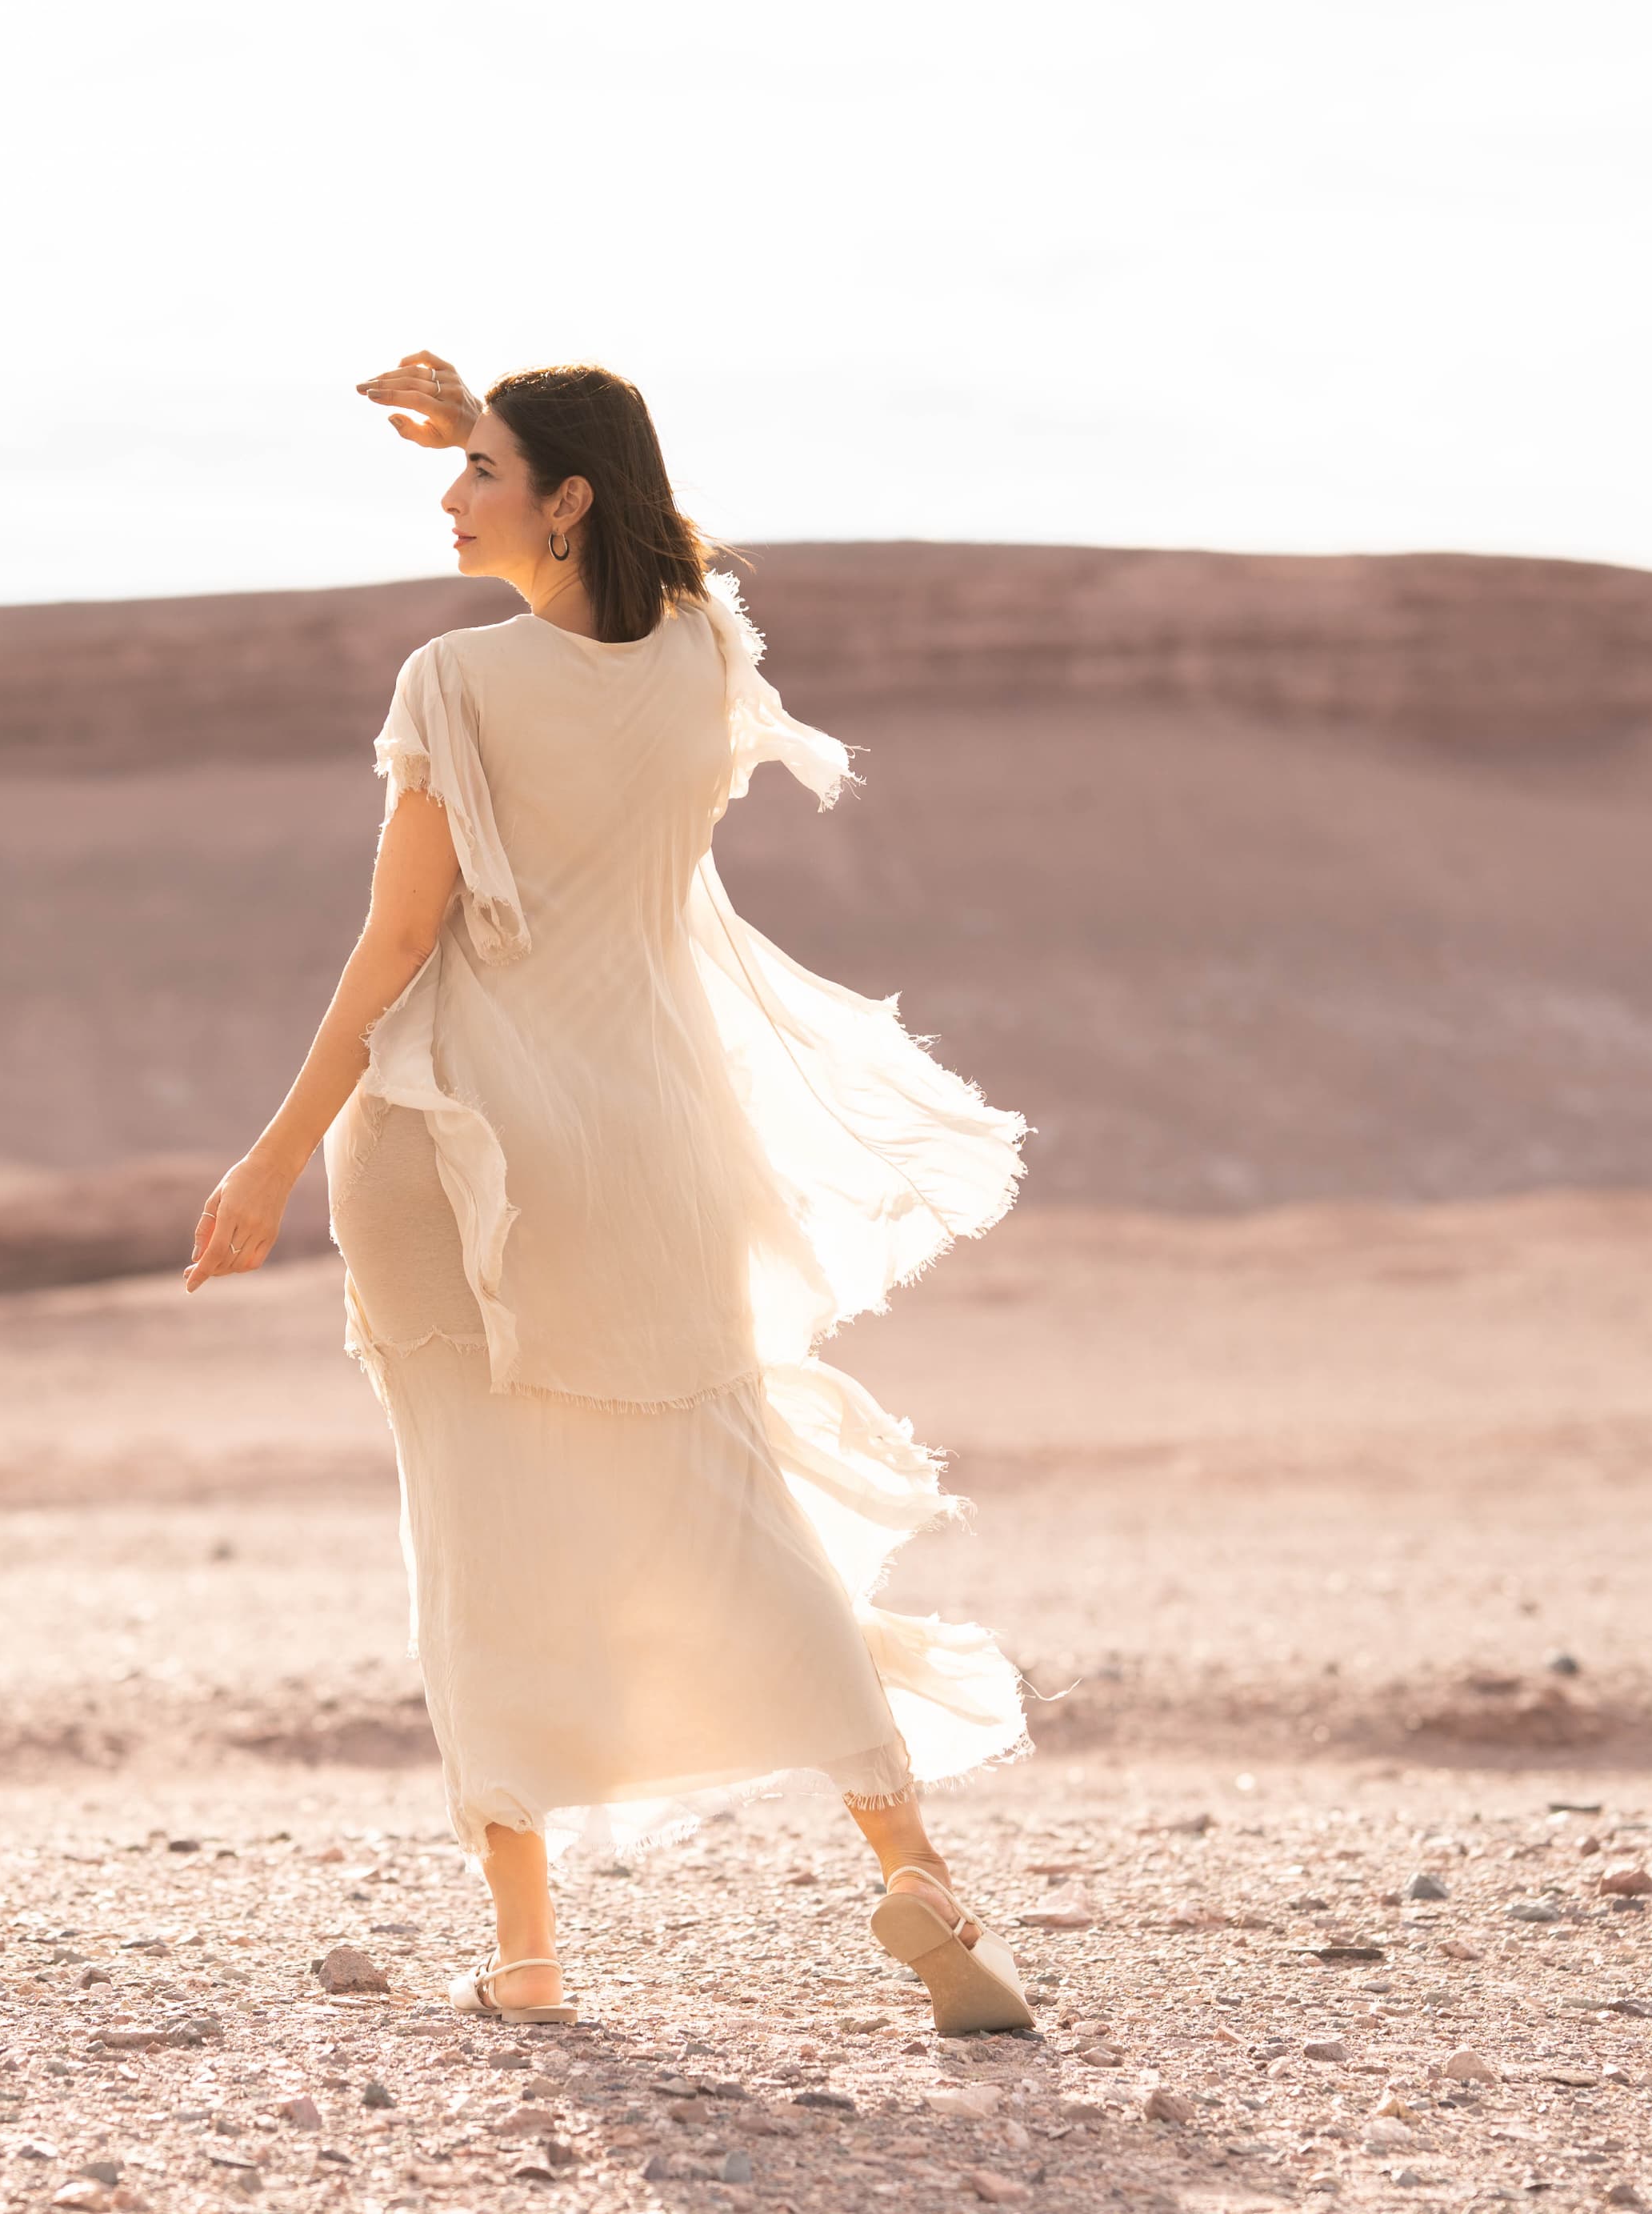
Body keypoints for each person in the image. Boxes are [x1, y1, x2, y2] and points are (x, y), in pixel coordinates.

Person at [183, 350, 1037, 2036]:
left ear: (559, 501)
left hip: (459, 1145)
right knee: (735, 1503)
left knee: (483, 1535)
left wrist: (273, 1151)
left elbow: (400, 937)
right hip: (647, 1138)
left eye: (477, 472)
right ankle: (918, 1871)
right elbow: (680, 561)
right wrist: (514, 427)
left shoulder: (453, 678)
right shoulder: (703, 656)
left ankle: (527, 1958)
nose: (445, 495)